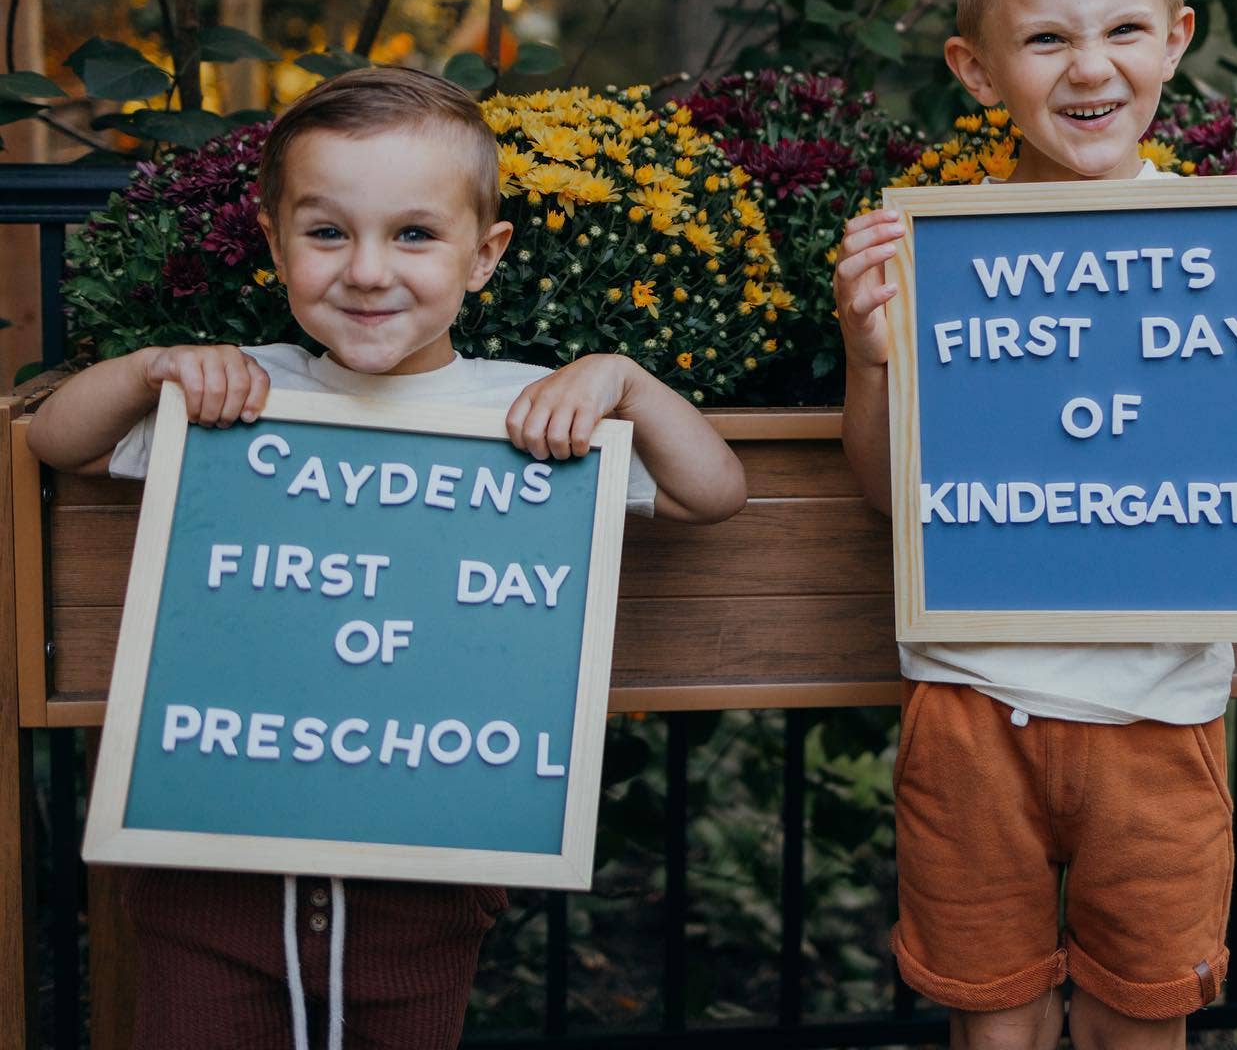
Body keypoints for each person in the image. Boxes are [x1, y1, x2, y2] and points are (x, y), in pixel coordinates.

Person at [28, 66, 749, 1050]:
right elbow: (54, 439)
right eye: (328, 233)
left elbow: (714, 491)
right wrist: (154, 367)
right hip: (207, 878)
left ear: (483, 255)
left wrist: (626, 381)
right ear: (277, 246)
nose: (368, 270)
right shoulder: (237, 399)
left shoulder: (531, 414)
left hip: (422, 892)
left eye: (414, 234)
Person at [832, 0, 1237, 1050]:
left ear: (1176, 40)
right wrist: (871, 359)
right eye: (1045, 38)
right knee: (995, 1030)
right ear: (977, 69)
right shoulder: (926, 258)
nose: (1089, 68)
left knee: (1138, 1027)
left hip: (1160, 719)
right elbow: (900, 503)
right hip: (972, 709)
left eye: (1123, 30)